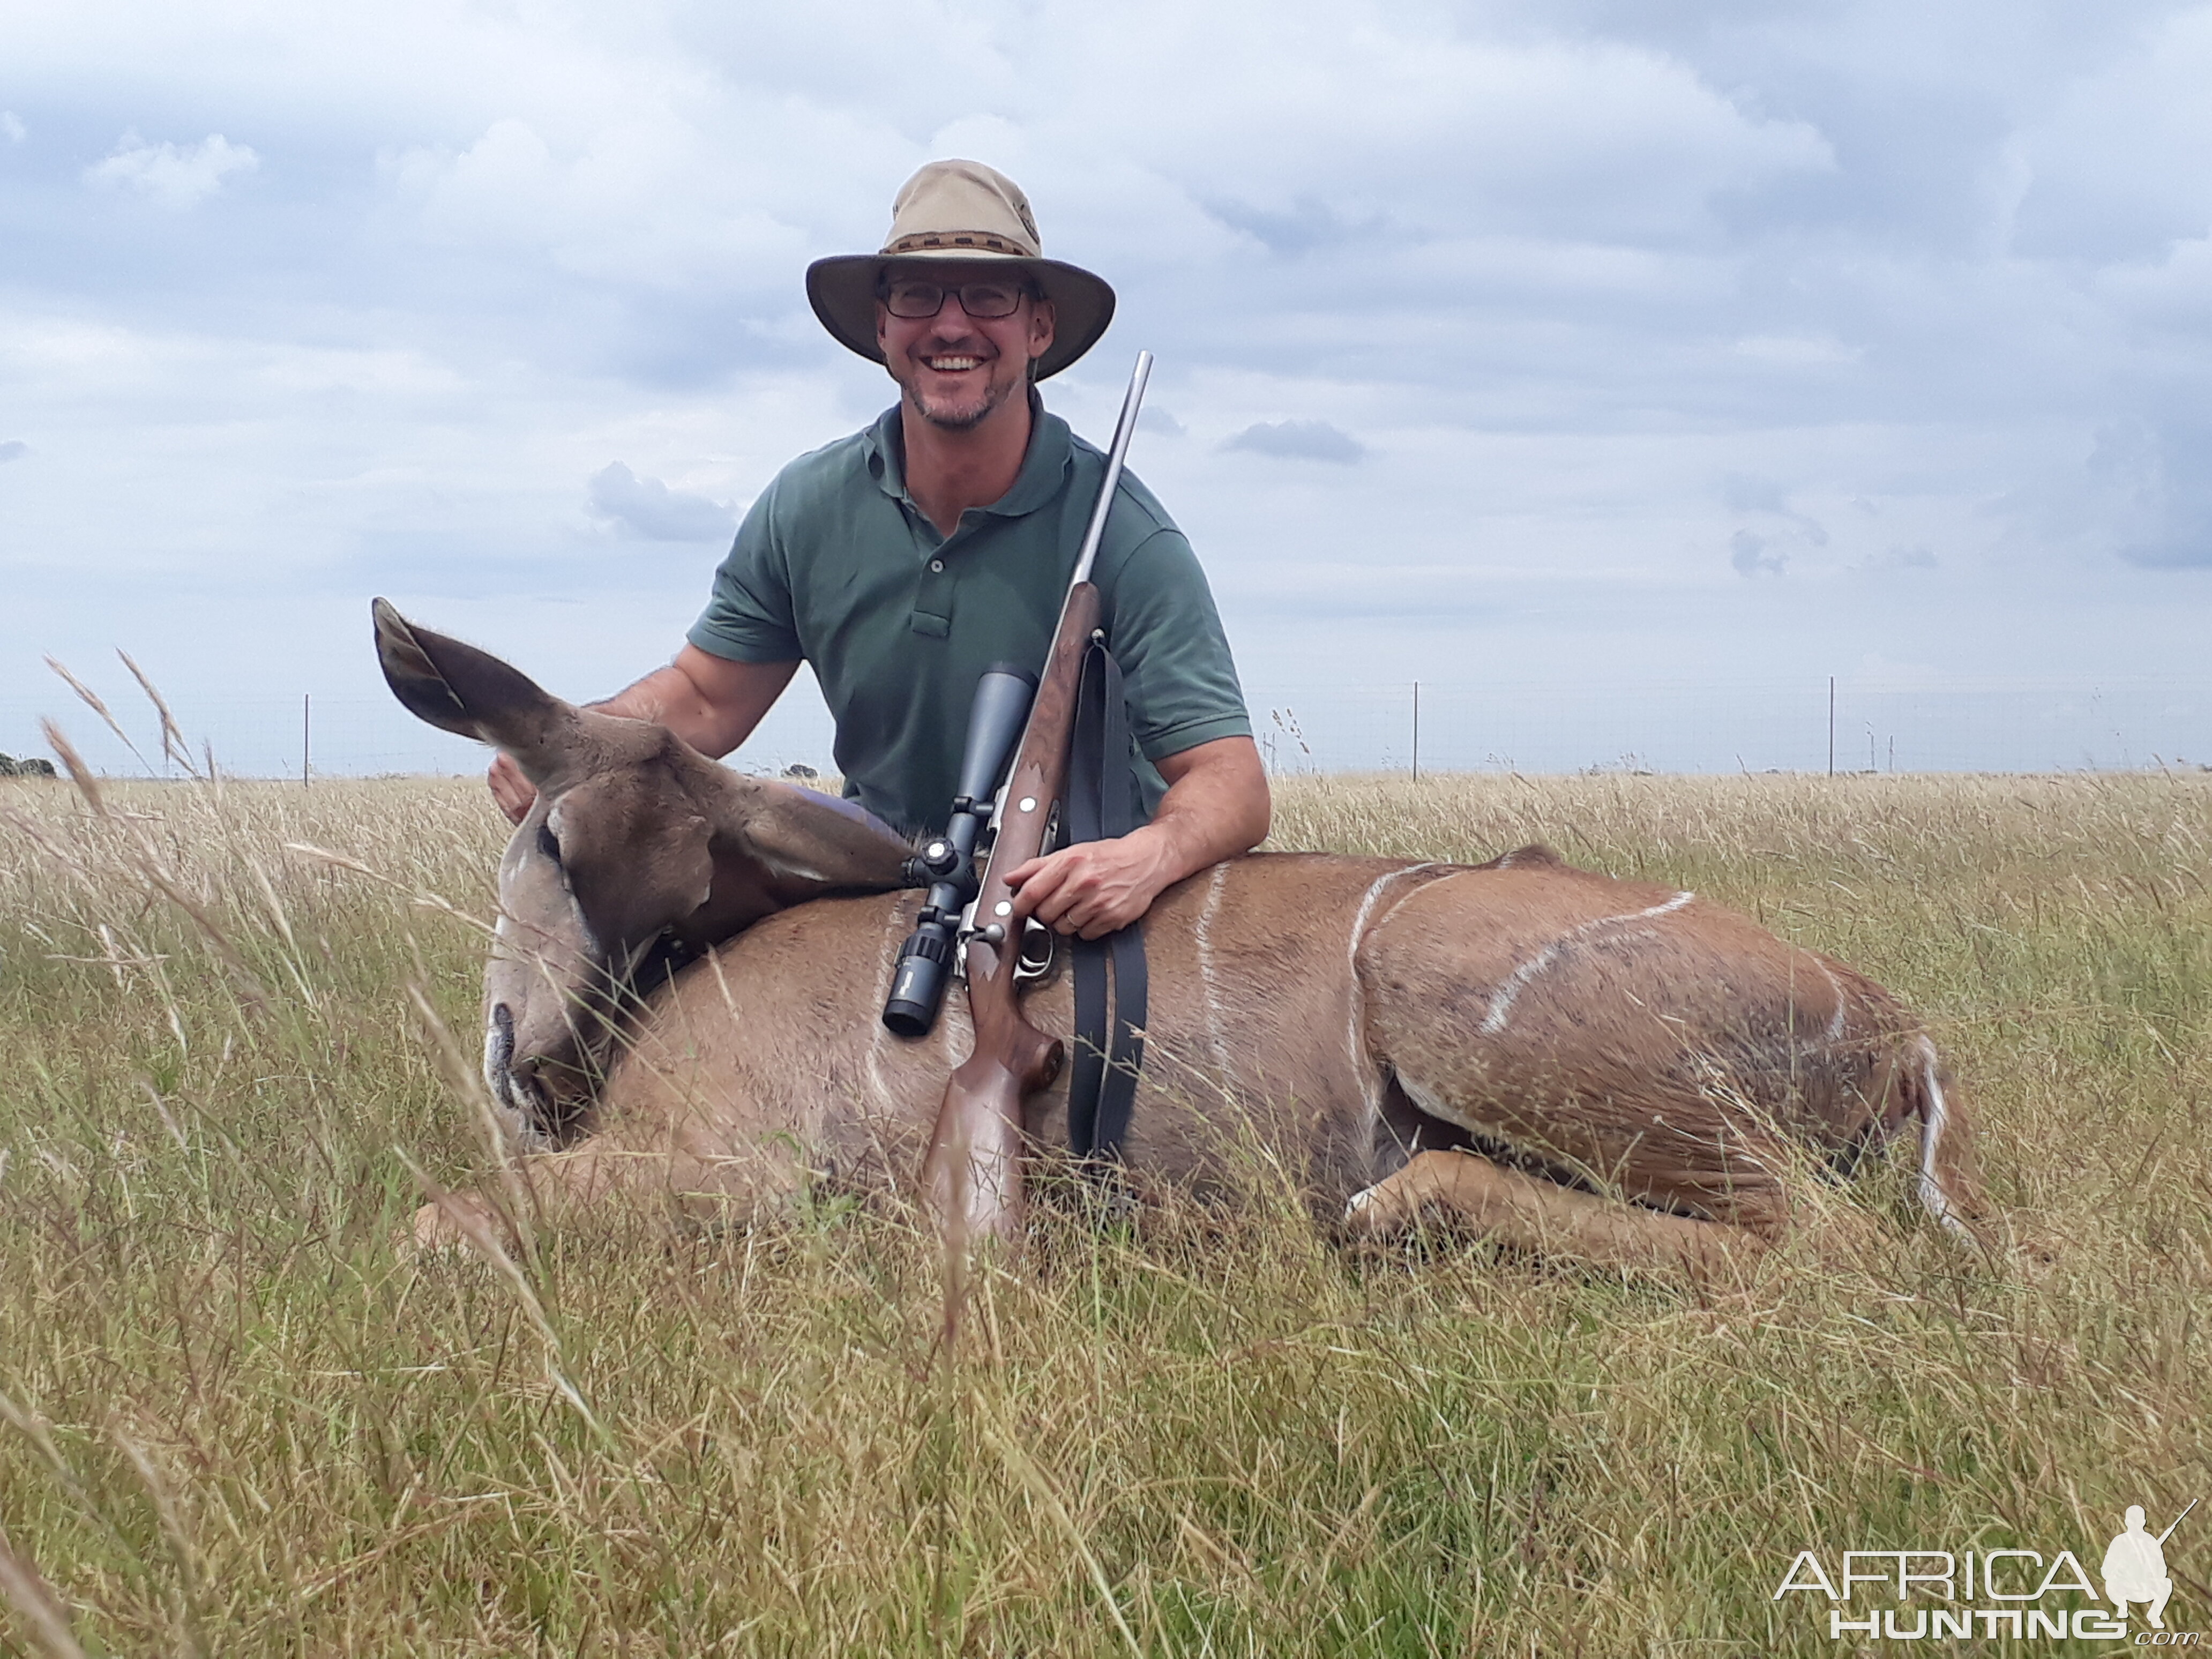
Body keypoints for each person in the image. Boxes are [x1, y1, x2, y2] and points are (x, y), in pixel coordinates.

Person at [489, 159, 1268, 941]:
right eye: (918, 293)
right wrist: (570, 746)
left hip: (1065, 901)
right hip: (876, 887)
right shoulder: (806, 505)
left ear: (1038, 327)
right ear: (884, 326)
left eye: (989, 295)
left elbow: (1230, 780)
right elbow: (705, 696)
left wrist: (1147, 856)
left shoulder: (1126, 533)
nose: (952, 325)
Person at [2102, 1505, 2174, 1628]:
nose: (2135, 1525)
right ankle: (2122, 1607)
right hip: (2124, 1587)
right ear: (2126, 1522)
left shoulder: (2151, 1542)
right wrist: (2121, 1568)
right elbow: (2106, 1570)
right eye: (2132, 1521)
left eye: (2138, 1521)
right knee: (2110, 1584)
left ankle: (2154, 1615)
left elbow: (2162, 1570)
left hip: (2145, 1586)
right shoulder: (2119, 1542)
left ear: (2144, 1522)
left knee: (2167, 1584)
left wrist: (2150, 1565)